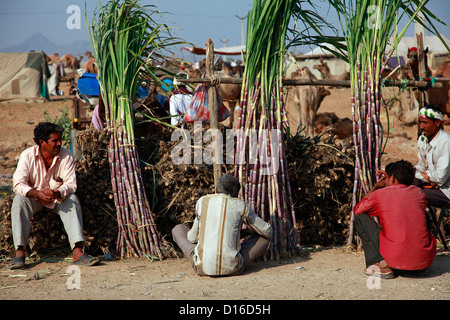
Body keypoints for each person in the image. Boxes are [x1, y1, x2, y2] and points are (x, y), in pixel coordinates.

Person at [10, 122, 100, 269]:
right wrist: (38, 193)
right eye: (54, 141)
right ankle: (20, 253)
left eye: (60, 140)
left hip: (58, 199)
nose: (59, 144)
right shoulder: (27, 156)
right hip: (35, 199)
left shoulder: (66, 156)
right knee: (19, 201)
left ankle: (78, 252)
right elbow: (18, 184)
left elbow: (71, 184)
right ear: (42, 142)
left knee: (72, 199)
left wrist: (57, 192)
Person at [171, 175, 273, 276]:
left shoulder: (202, 201)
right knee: (265, 239)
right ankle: (233, 261)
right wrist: (249, 232)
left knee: (178, 229)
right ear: (235, 193)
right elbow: (267, 231)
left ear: (216, 189)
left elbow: (192, 238)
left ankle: (204, 258)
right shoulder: (241, 206)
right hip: (233, 269)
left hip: (202, 268)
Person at [353, 160, 436, 279]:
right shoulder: (419, 193)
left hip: (396, 258)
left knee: (360, 218)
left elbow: (357, 210)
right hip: (424, 261)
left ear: (391, 177)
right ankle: (415, 268)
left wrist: (376, 187)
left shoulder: (380, 194)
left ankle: (382, 265)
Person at [413, 105, 450, 202]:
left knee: (413, 195)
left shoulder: (446, 142)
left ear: (437, 122)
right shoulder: (422, 139)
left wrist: (420, 175)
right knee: (403, 186)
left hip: (446, 189)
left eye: (425, 123)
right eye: (420, 122)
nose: (421, 126)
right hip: (431, 181)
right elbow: (422, 165)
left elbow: (440, 178)